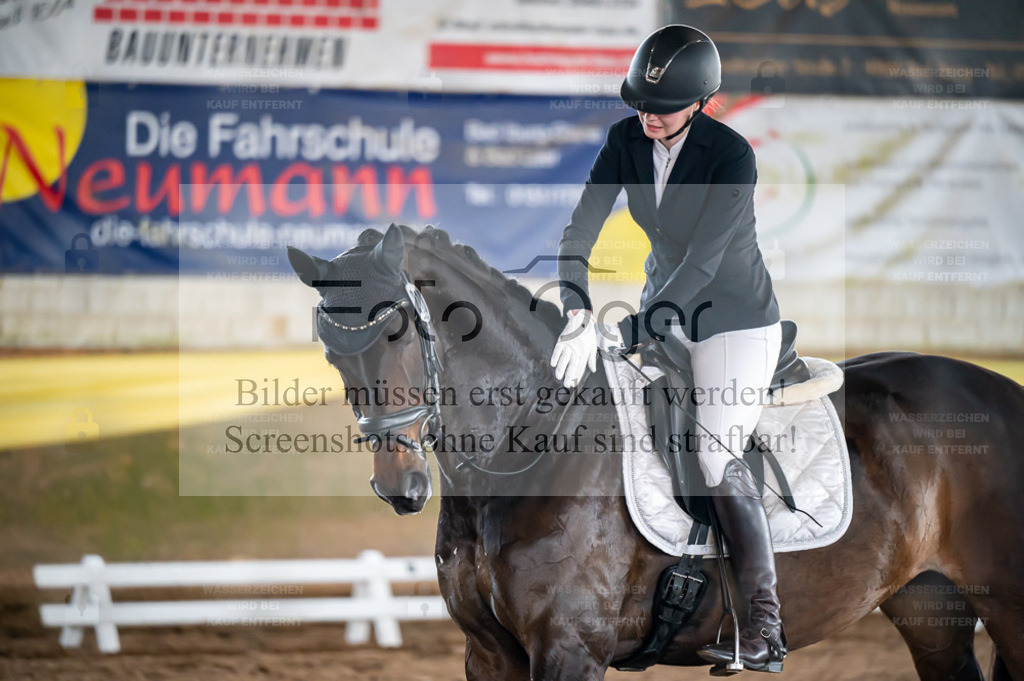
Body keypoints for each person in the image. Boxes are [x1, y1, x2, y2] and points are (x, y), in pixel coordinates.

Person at [548, 25, 787, 672]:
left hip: (732, 319)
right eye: (641, 105)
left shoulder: (731, 156)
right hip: (662, 303)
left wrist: (627, 331)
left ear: (703, 102)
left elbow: (702, 268)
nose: (648, 116)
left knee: (713, 449)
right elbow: (580, 228)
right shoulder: (626, 139)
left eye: (663, 107)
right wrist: (575, 309)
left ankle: (764, 625)